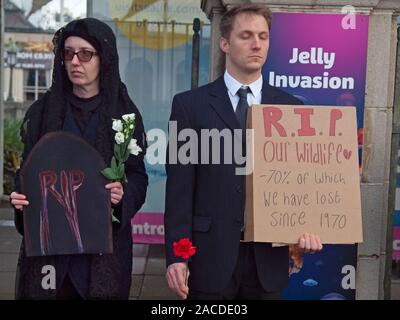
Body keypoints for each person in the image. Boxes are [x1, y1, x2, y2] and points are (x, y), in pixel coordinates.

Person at [164, 4, 323, 300]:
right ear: (224, 43)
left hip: (268, 261)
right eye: (246, 35)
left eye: (263, 36)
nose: (256, 44)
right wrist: (176, 255)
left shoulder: (291, 108)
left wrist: (308, 227)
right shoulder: (189, 106)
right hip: (209, 258)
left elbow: (300, 186)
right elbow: (179, 191)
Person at [10, 18, 148, 300]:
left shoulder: (124, 116)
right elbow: (27, 170)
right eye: (68, 53)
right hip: (50, 259)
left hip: (102, 257)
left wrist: (123, 195)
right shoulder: (42, 113)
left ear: (103, 59)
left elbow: (138, 177)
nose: (75, 61)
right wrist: (20, 196)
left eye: (85, 54)